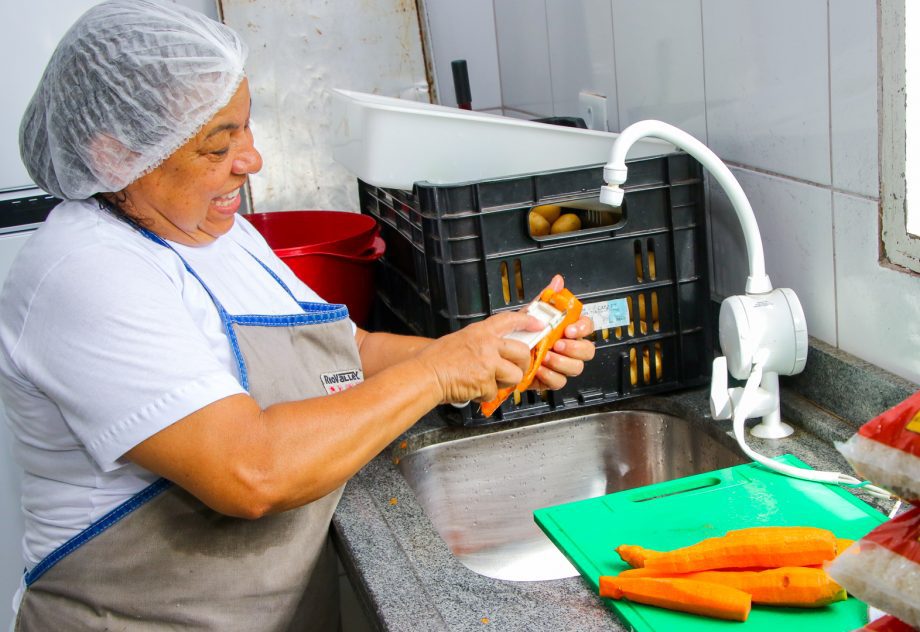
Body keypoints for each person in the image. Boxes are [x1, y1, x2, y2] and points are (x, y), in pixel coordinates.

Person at [0, 2, 596, 630]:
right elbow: (250, 470)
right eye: (216, 145)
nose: (250, 160)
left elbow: (348, 351)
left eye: (245, 127)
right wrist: (439, 374)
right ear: (117, 152)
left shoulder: (215, 230)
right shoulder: (83, 272)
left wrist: (487, 349)